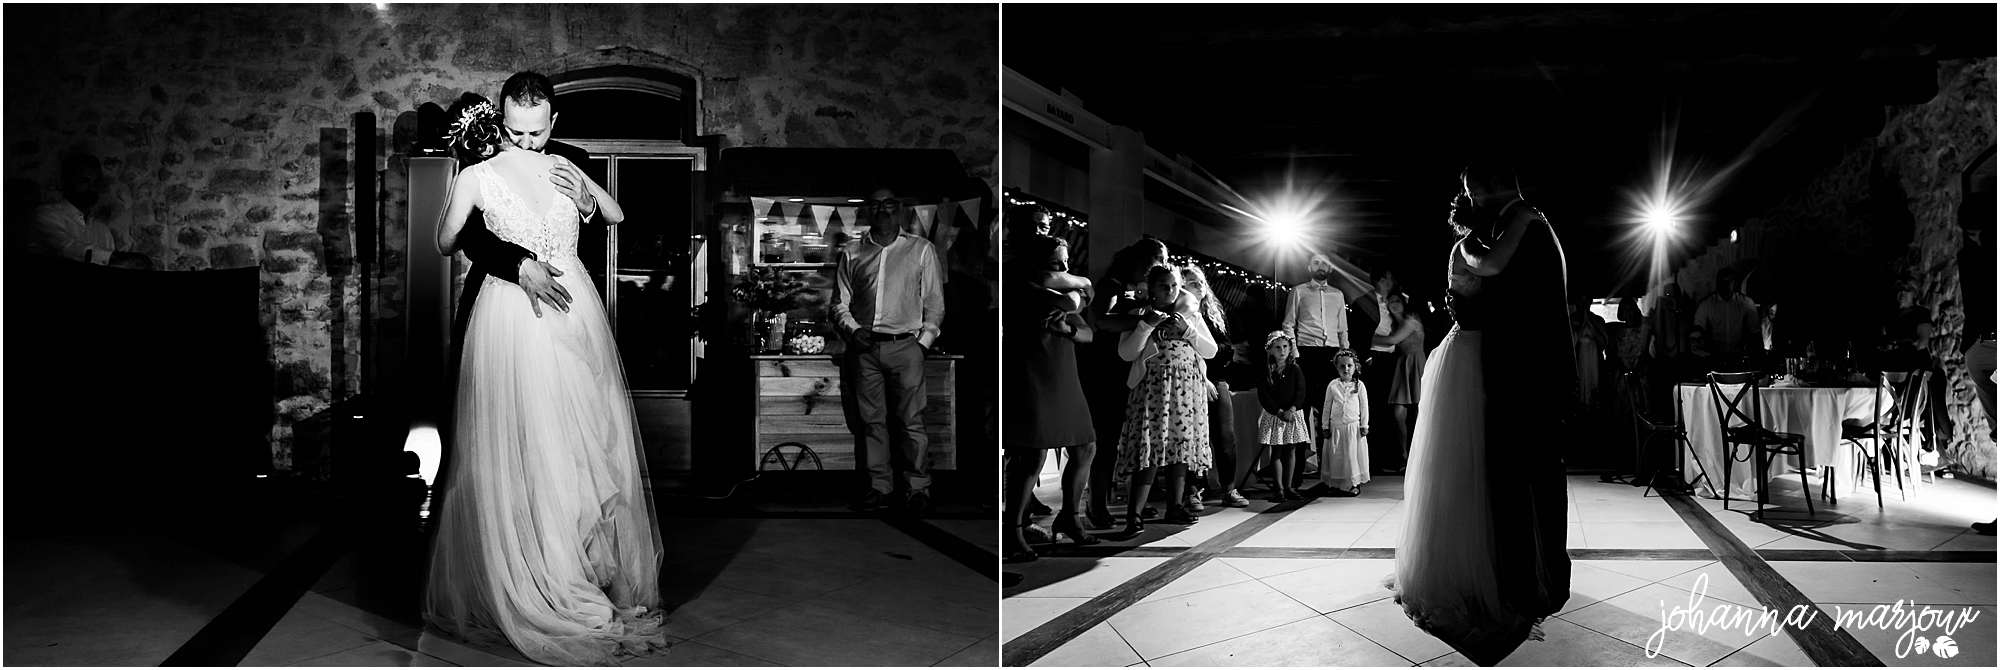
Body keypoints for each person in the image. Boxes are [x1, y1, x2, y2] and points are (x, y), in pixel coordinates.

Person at [423, 75, 665, 666]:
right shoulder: (478, 171)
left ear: (553, 123)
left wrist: (584, 193)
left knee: (583, 439)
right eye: (514, 130)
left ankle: (574, 566)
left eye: (536, 130)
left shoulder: (569, 161)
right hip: (509, 312)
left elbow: (613, 213)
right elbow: (450, 239)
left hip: (574, 310)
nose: (526, 141)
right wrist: (514, 261)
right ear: (501, 120)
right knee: (518, 438)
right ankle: (525, 570)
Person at [1393, 160, 1574, 666]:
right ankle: (1531, 584)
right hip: (1518, 374)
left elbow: (1496, 281)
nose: (1470, 195)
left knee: (1525, 482)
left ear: (1494, 188)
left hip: (1528, 377)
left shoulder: (1522, 223)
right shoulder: (1513, 229)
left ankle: (1531, 587)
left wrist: (1470, 251)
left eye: (1474, 188)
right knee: (1515, 482)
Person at [834, 187, 947, 515]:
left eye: (889, 204)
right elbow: (839, 303)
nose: (883, 211)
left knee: (911, 420)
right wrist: (854, 333)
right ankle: (879, 487)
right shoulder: (853, 252)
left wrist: (922, 344)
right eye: (876, 204)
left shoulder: (921, 250)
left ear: (900, 210)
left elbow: (935, 304)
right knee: (872, 422)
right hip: (865, 348)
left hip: (906, 346)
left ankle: (918, 488)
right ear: (867, 210)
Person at [1002, 234, 1099, 561]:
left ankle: (1070, 518)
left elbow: (1087, 332)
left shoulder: (1057, 288)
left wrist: (1067, 330)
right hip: (1032, 371)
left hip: (1063, 374)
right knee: (1031, 454)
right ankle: (1011, 532)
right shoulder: (1019, 286)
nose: (1065, 270)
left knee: (1085, 446)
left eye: (1067, 264)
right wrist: (1082, 287)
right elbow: (1072, 303)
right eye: (1058, 264)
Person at [1116, 265, 1216, 534]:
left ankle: (1176, 505)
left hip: (1186, 387)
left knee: (1180, 446)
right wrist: (1146, 325)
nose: (1170, 291)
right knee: (1150, 447)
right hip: (1153, 389)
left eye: (1174, 285)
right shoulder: (1141, 314)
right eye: (1163, 286)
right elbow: (1126, 353)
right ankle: (1134, 515)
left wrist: (1187, 331)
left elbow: (1211, 350)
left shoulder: (1190, 315)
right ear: (1151, 287)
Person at [1083, 238, 1172, 528]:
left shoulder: (1138, 289)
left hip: (1127, 370)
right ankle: (1096, 505)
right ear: (1143, 261)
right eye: (1159, 260)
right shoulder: (1112, 284)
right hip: (1104, 370)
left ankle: (1129, 504)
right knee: (1105, 440)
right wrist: (1143, 320)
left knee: (1125, 440)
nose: (1163, 266)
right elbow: (1101, 322)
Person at [1181, 265, 1246, 509]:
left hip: (1218, 378)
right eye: (1193, 282)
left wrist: (1220, 361)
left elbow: (1225, 347)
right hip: (1191, 379)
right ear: (1182, 286)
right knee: (1193, 438)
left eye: (1201, 281)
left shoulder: (1213, 313)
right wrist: (1205, 375)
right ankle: (1193, 489)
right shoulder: (1182, 313)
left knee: (1225, 436)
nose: (1200, 286)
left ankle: (1229, 488)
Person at [31, 151, 146, 267]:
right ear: (68, 182)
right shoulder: (48, 215)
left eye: (96, 182)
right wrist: (113, 257)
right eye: (84, 181)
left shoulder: (102, 231)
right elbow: (65, 247)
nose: (91, 187)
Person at [1251, 331, 1313, 502]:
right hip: (1275, 415)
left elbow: (1301, 392)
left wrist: (1292, 409)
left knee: (1291, 450)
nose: (1282, 351)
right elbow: (1264, 396)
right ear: (1270, 350)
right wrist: (1278, 412)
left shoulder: (1295, 369)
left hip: (1292, 415)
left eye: (1285, 347)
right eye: (1277, 348)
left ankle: (1289, 486)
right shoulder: (1266, 371)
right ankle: (1278, 489)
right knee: (1276, 451)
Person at [1375, 293, 1425, 467]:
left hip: (1416, 365)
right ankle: (1403, 454)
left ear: (1404, 303)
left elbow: (1392, 340)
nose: (1393, 304)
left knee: (1420, 413)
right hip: (1402, 366)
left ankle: (1418, 454)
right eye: (1390, 302)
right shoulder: (1393, 324)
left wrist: (1366, 337)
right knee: (1398, 413)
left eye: (1397, 301)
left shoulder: (1411, 321)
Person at [1318, 349, 1370, 496]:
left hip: (1352, 427)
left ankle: (1354, 484)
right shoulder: (1333, 385)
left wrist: (1364, 425)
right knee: (1337, 456)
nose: (1346, 369)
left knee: (1351, 456)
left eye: (1349, 366)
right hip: (1336, 428)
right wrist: (1325, 426)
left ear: (1355, 367)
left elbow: (1364, 406)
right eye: (1342, 366)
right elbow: (1327, 406)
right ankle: (1335, 483)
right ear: (1337, 367)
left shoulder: (1359, 386)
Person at [1694, 268, 1761, 365]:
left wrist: (1757, 358)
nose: (1726, 285)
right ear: (1717, 282)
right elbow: (1697, 330)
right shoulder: (1706, 305)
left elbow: (1755, 332)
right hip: (1714, 357)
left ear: (1734, 282)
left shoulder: (1746, 303)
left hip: (1740, 357)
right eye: (1723, 281)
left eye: (1729, 281)